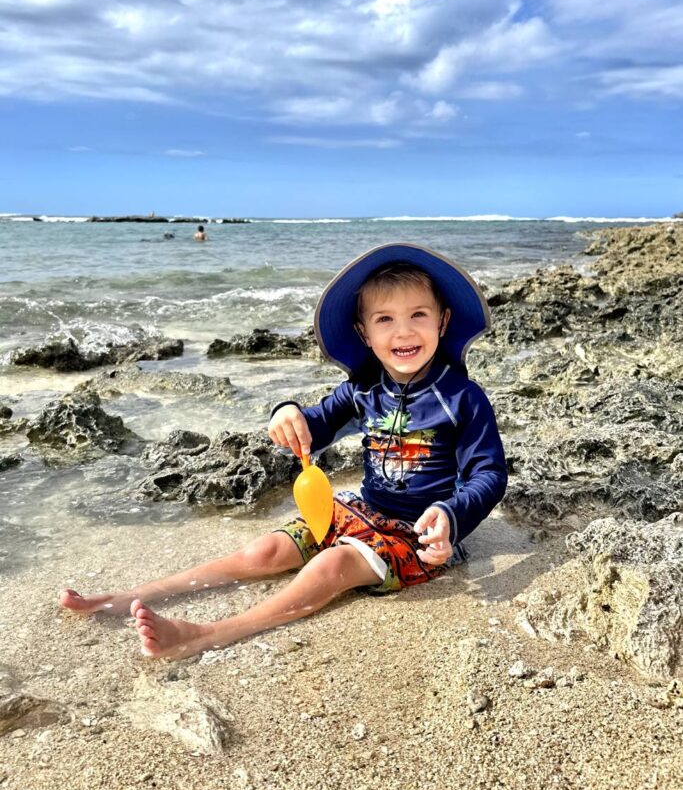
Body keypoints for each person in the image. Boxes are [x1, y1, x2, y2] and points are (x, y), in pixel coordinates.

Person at [58, 243, 507, 659]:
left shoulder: (462, 398)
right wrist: (287, 411)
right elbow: (315, 424)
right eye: (385, 319)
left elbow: (489, 474)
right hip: (361, 511)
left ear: (443, 321)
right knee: (264, 554)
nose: (404, 331)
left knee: (332, 564)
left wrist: (450, 515)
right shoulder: (363, 388)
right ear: (363, 332)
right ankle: (131, 596)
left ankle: (207, 634)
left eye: (419, 315)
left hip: (420, 535)